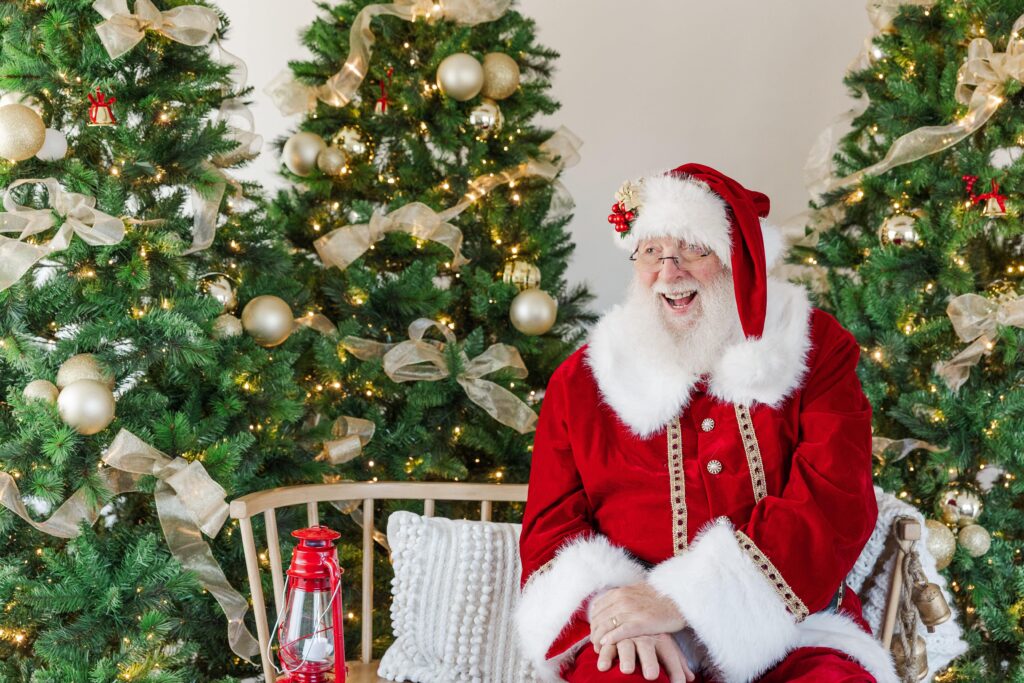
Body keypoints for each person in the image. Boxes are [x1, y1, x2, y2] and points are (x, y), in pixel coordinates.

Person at [514, 163, 898, 683]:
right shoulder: (582, 380)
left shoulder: (812, 348)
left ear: (738, 260)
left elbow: (836, 500)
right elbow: (551, 528)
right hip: (636, 632)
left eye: (694, 249)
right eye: (652, 252)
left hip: (793, 625)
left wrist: (682, 599)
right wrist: (624, 613)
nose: (670, 273)